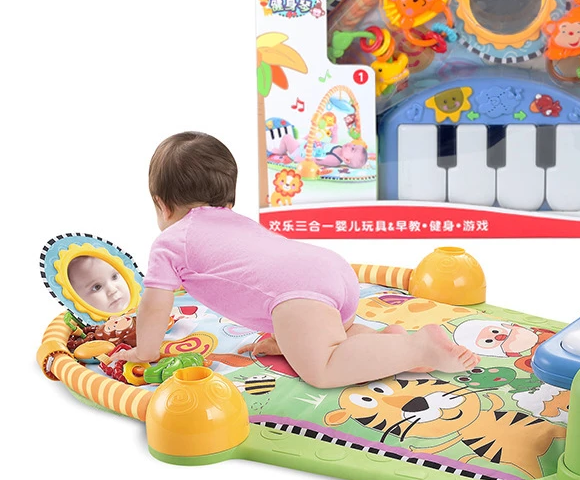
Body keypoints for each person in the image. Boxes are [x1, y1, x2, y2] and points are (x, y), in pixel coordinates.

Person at [111, 132, 477, 387]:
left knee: (323, 368)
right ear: (228, 197)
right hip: (330, 270)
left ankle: (415, 347)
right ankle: (386, 342)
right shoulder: (238, 223)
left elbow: (155, 305)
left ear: (162, 204)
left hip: (300, 296)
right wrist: (284, 339)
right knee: (335, 335)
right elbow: (259, 276)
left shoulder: (170, 241)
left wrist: (146, 351)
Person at [270, 131, 368, 169]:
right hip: (307, 145)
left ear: (346, 160)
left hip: (301, 152)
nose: (351, 144)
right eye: (353, 145)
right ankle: (299, 141)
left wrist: (302, 159)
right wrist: (335, 134)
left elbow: (317, 160)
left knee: (287, 137)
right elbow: (332, 145)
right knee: (312, 134)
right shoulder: (340, 148)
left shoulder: (334, 160)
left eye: (352, 149)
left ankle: (281, 151)